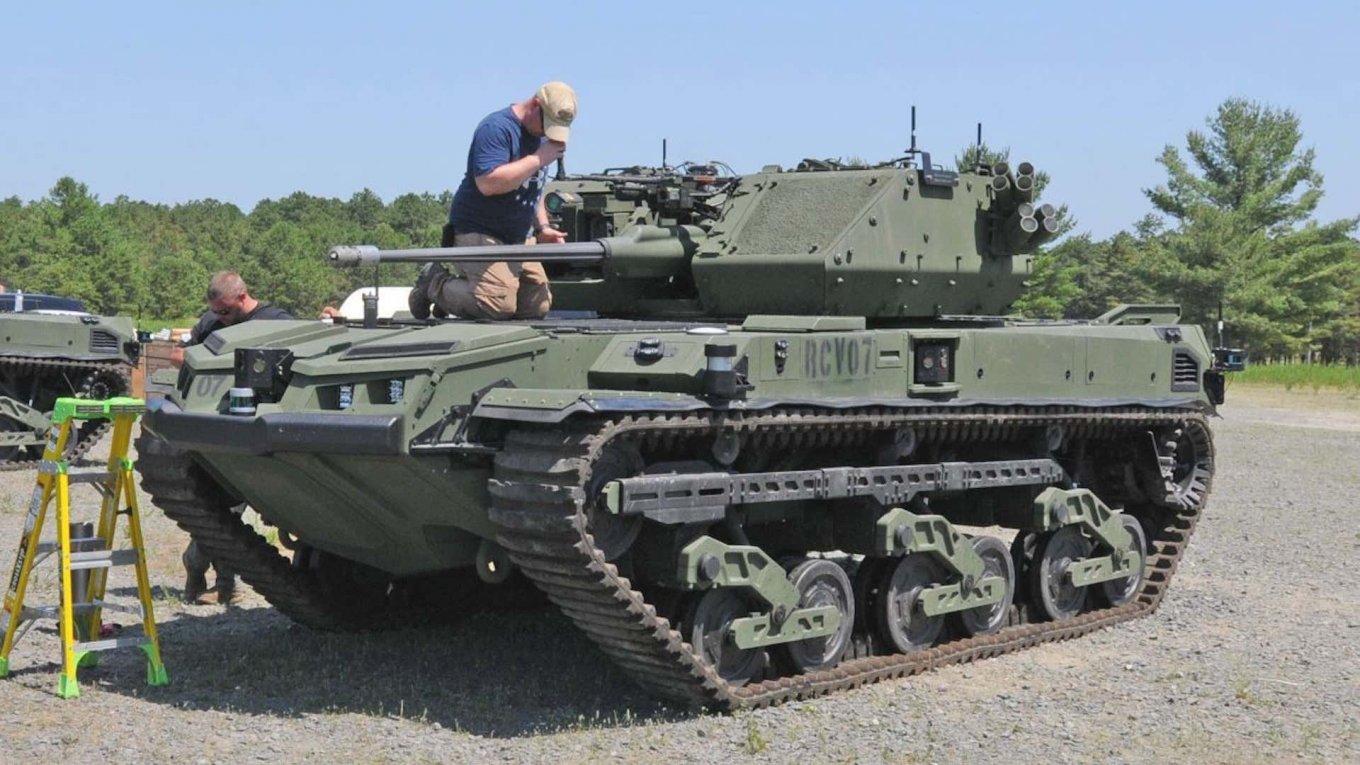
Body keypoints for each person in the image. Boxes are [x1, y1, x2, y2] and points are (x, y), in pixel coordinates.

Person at [408, 81, 577, 321]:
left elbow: (534, 185)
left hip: (518, 236)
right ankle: (434, 283)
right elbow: (488, 183)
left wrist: (543, 227)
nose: (547, 133)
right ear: (535, 105)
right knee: (496, 306)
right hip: (480, 230)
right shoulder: (497, 128)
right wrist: (539, 158)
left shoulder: (541, 138)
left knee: (536, 306)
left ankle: (462, 297)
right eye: (547, 124)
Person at [178, 271, 294, 605]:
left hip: (255, 425)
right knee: (221, 508)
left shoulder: (276, 322)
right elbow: (180, 354)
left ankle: (215, 577)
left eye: (226, 311)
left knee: (228, 509)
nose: (220, 319)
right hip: (212, 423)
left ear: (243, 296)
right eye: (216, 312)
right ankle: (217, 579)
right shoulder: (210, 324)